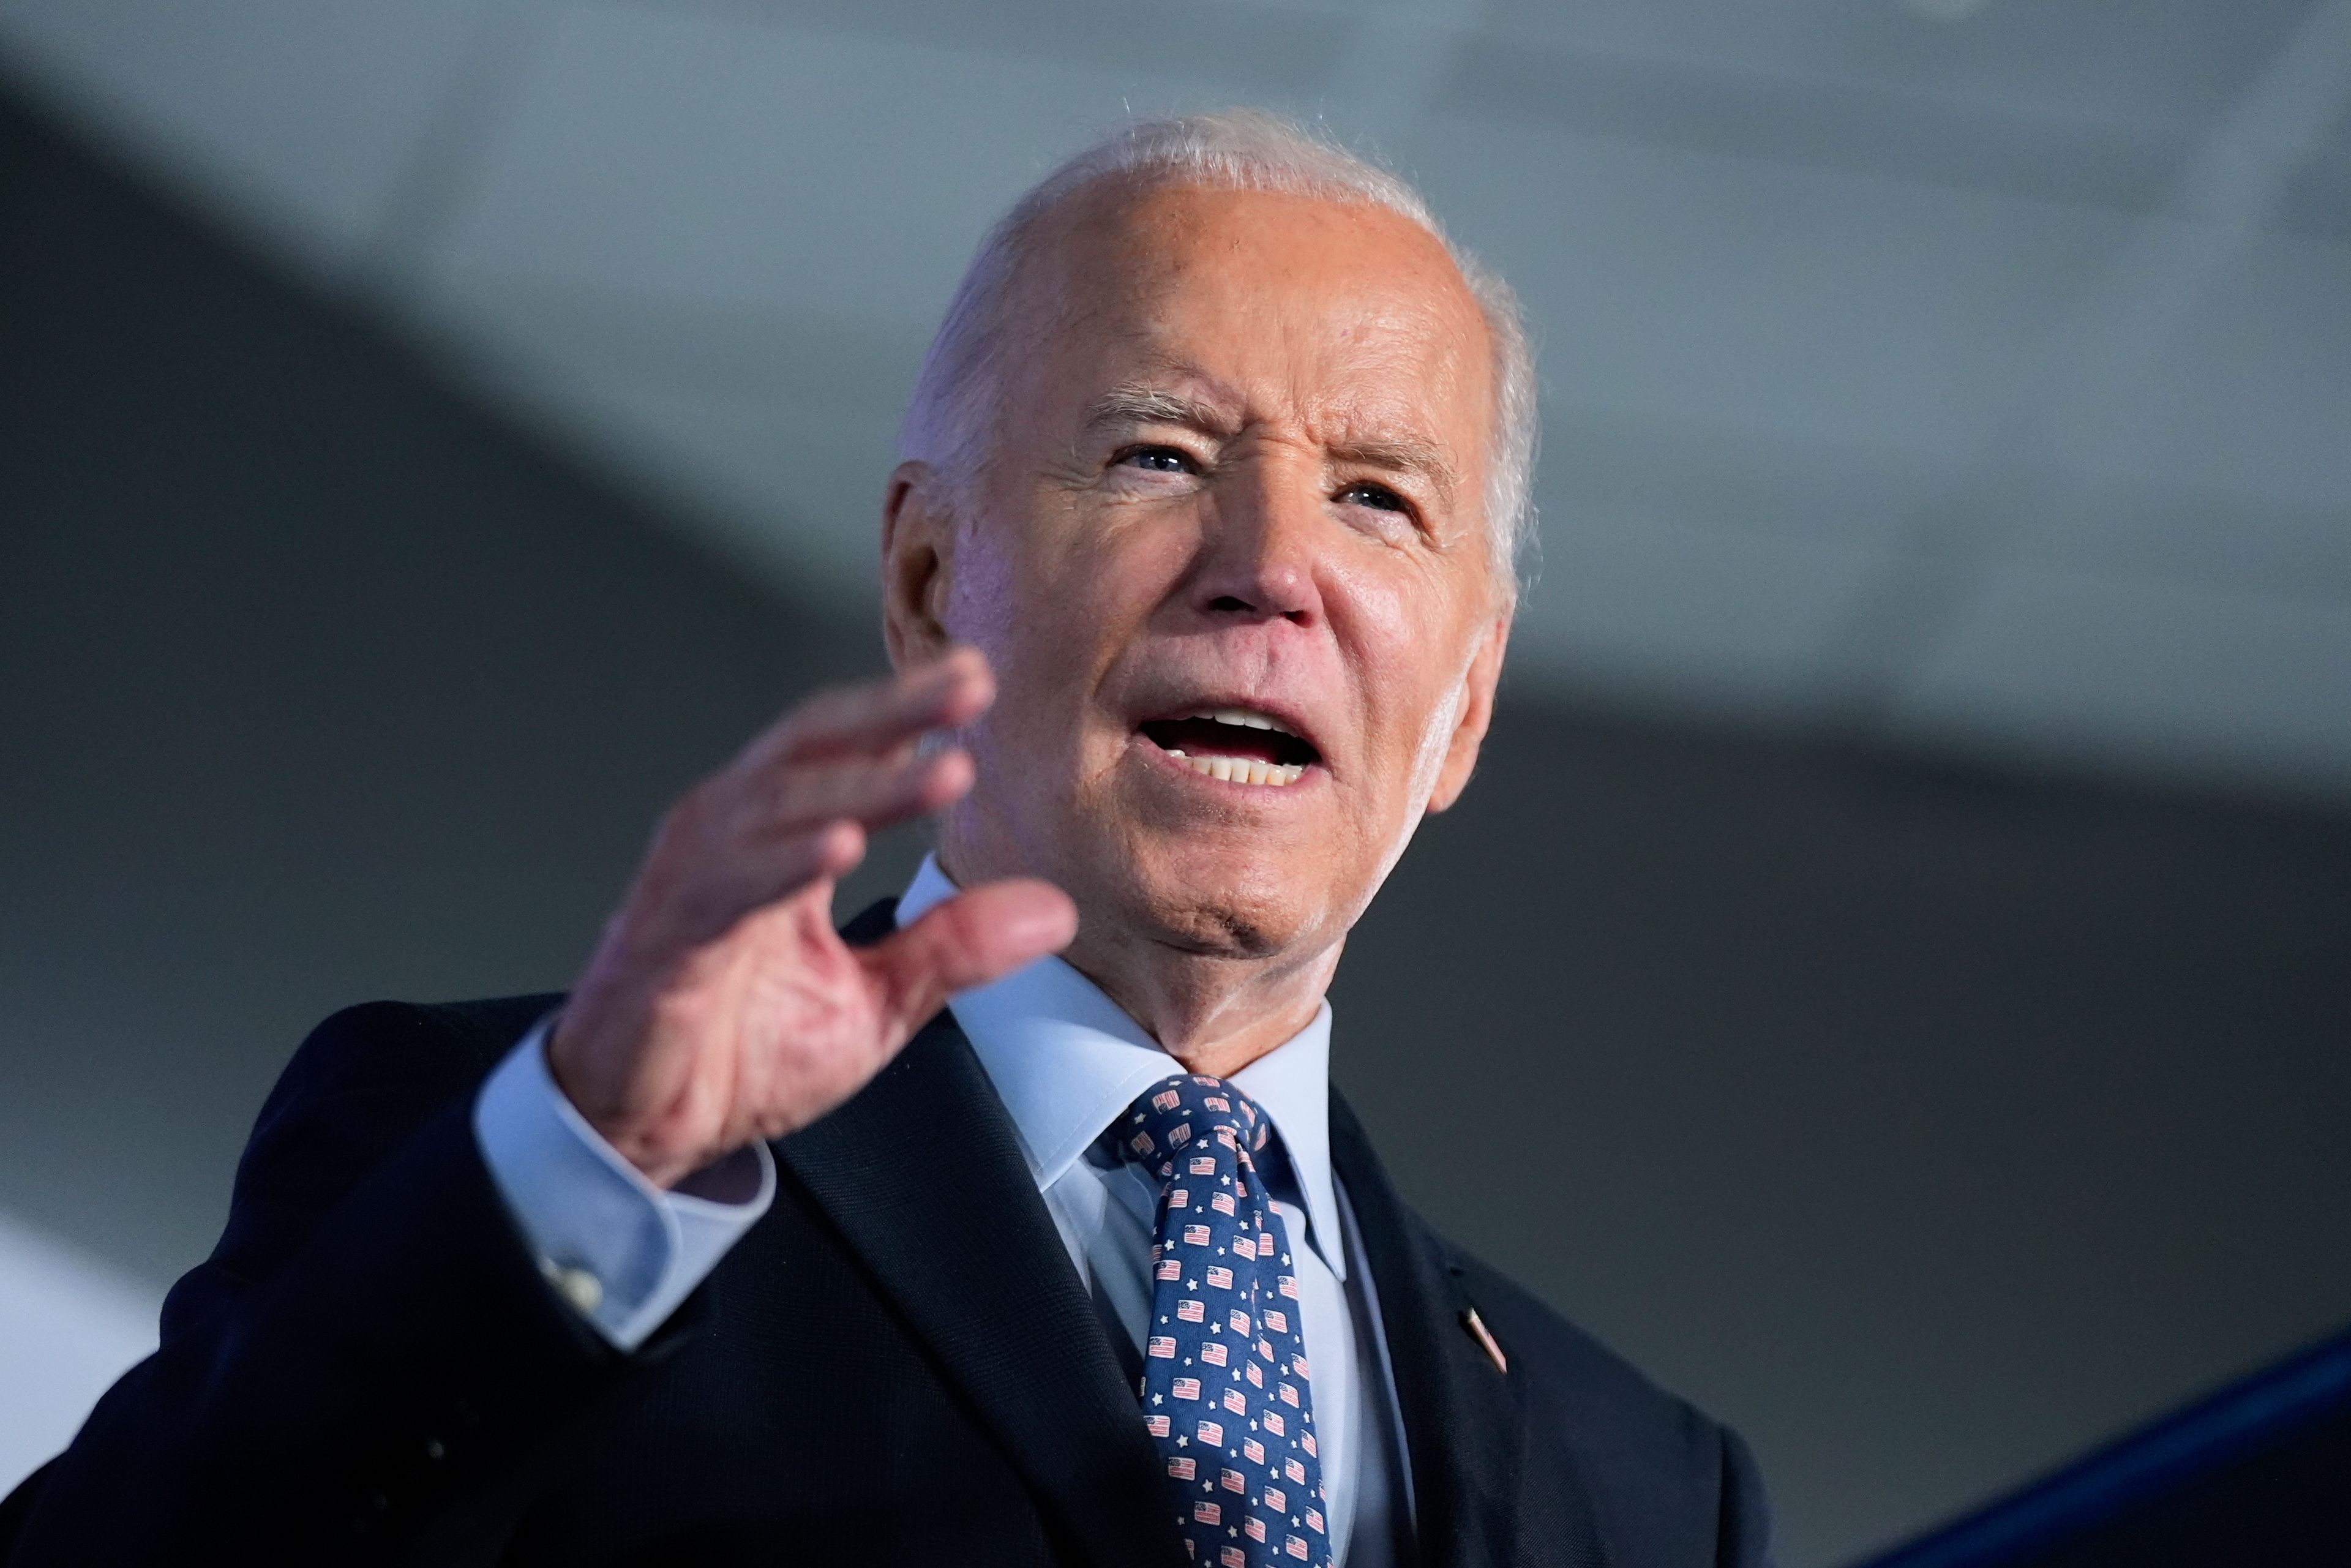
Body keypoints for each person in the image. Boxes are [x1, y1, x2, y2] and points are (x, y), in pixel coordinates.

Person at [0, 111, 1772, 1567]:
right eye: (1159, 455)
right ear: (931, 584)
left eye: (1378, 495)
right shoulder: (535, 1162)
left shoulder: (1650, 1493)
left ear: (1461, 703)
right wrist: (589, 1167)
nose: (1274, 565)